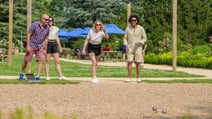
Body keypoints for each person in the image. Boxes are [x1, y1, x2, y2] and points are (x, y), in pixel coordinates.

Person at [19, 14, 50, 80]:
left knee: (40, 60)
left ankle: (38, 76)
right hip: (32, 44)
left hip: (40, 46)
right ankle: (22, 72)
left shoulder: (48, 28)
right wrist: (28, 45)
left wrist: (45, 48)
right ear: (42, 19)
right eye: (46, 19)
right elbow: (29, 34)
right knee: (26, 60)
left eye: (48, 20)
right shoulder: (35, 25)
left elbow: (46, 38)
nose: (47, 21)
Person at [123, 15, 147, 83]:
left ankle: (138, 78)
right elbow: (125, 38)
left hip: (138, 48)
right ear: (130, 21)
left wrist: (141, 42)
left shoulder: (141, 28)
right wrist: (126, 45)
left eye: (134, 20)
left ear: (137, 21)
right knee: (129, 62)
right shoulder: (127, 28)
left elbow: (145, 38)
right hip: (130, 47)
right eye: (132, 20)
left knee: (138, 63)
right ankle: (129, 78)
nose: (133, 21)